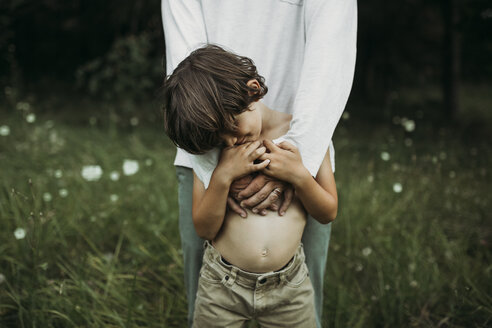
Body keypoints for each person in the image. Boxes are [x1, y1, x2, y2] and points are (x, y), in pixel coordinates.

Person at [161, 1, 357, 327]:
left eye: (228, 129)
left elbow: (327, 211)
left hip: (290, 288)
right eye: (219, 137)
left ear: (253, 91)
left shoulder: (309, 140)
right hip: (221, 287)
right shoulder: (217, 150)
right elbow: (205, 229)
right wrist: (221, 176)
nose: (228, 142)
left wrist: (300, 175)